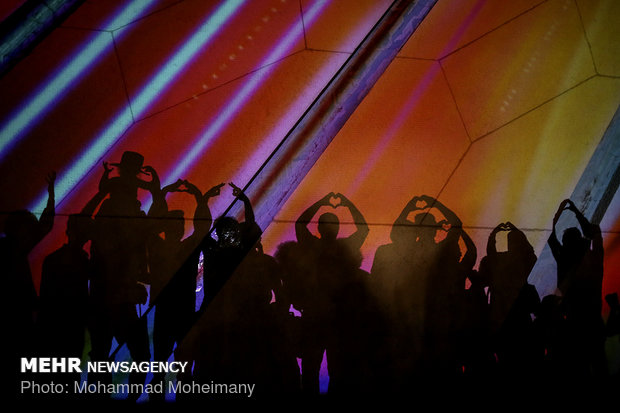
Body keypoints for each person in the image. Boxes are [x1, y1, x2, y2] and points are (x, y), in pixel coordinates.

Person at [294, 192, 369, 395]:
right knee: (334, 369)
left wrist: (322, 202)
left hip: (323, 315)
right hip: (334, 316)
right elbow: (364, 229)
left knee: (314, 369)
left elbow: (300, 224)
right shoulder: (341, 247)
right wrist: (346, 203)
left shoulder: (314, 246)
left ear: (319, 228)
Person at [2, 171, 56, 396]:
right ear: (19, 230)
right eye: (27, 229)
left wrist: (51, 194)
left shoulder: (14, 248)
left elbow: (44, 226)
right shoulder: (12, 250)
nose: (30, 234)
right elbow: (44, 227)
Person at [548, 198, 606, 380]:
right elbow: (594, 233)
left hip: (575, 325)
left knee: (580, 371)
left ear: (566, 245)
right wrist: (575, 212)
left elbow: (551, 239)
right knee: (599, 365)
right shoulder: (594, 261)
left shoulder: (564, 261)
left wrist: (557, 217)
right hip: (594, 323)